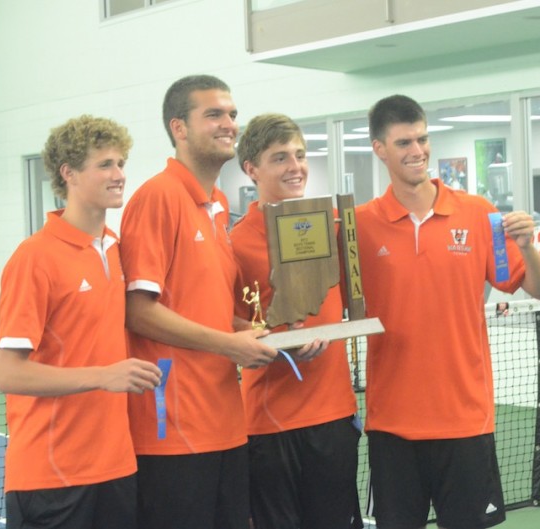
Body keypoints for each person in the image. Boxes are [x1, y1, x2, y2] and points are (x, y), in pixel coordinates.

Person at [119, 75, 323, 529]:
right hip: (172, 429)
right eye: (213, 114)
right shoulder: (158, 197)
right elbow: (138, 311)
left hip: (225, 425)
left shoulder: (215, 203)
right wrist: (231, 345)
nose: (228, 123)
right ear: (179, 128)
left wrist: (255, 335)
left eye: (231, 113)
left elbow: (203, 310)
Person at [355, 94, 540, 529]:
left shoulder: (478, 213)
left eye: (423, 139)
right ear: (379, 149)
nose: (418, 151)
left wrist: (526, 245)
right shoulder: (360, 225)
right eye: (404, 142)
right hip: (392, 423)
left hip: (465, 419)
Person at [0, 115, 163, 529]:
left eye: (121, 163)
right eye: (105, 164)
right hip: (51, 476)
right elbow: (9, 374)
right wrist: (103, 376)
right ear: (68, 173)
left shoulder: (116, 250)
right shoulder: (34, 257)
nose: (119, 174)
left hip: (117, 469)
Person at [231, 113, 363, 529]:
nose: (296, 166)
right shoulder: (234, 242)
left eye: (301, 155)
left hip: (333, 415)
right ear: (251, 169)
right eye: (280, 157)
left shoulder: (335, 227)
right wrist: (272, 340)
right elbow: (222, 320)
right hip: (269, 423)